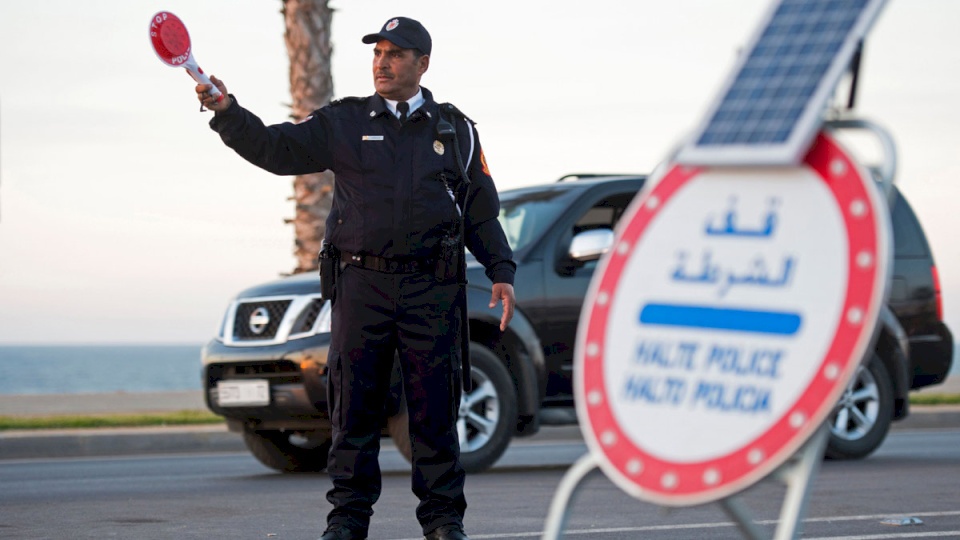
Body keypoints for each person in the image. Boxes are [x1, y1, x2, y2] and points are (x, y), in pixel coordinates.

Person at [195, 16, 516, 540]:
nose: (382, 62)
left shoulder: (455, 129)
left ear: (423, 64)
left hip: (431, 289)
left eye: (395, 53)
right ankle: (346, 522)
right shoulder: (343, 121)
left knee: (434, 411)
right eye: (377, 53)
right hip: (361, 285)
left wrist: (501, 270)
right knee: (354, 410)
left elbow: (480, 211)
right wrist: (228, 112)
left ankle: (442, 522)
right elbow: (277, 150)